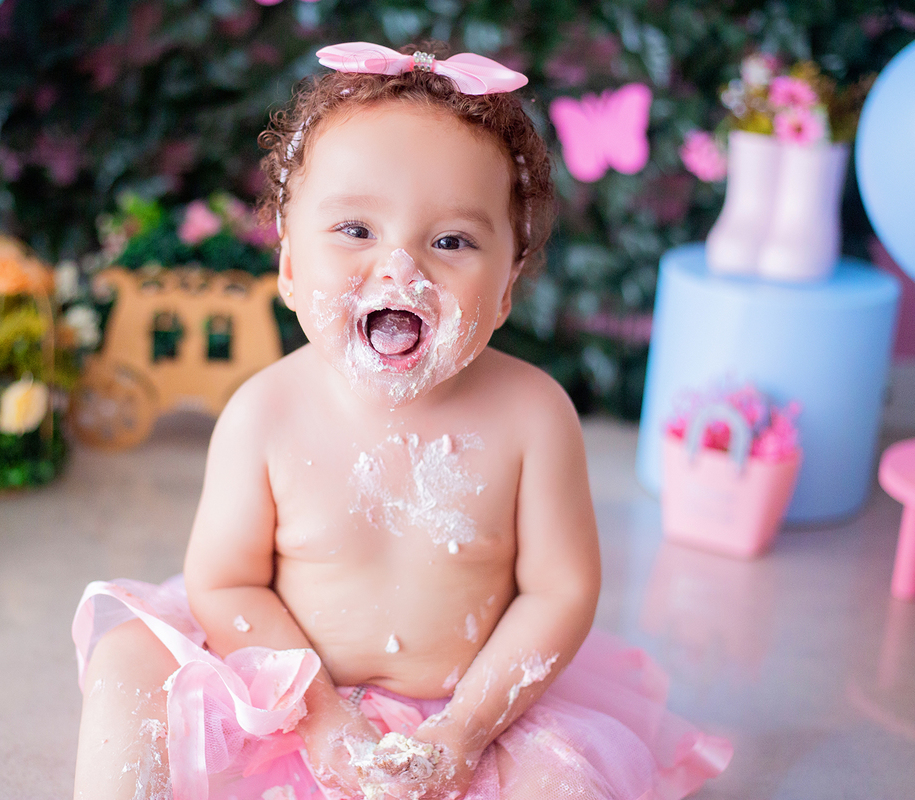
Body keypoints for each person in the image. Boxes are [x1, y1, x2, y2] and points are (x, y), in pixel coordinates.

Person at [71, 42, 731, 800]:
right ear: (288, 267)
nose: (400, 269)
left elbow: (561, 592)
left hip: (473, 709)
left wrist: (465, 730)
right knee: (130, 660)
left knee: (564, 785)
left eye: (451, 241)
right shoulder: (266, 413)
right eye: (356, 230)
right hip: (290, 693)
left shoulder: (533, 417)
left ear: (508, 286)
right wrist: (316, 715)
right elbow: (224, 583)